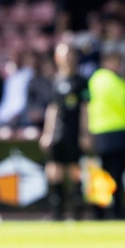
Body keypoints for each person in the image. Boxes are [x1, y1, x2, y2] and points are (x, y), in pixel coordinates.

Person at [39, 42, 88, 221]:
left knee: (75, 170)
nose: (66, 58)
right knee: (54, 170)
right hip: (58, 132)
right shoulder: (54, 81)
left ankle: (77, 212)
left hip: (74, 132)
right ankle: (56, 212)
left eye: (69, 54)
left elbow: (84, 108)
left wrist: (85, 133)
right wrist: (47, 133)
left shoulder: (81, 81)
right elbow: (52, 109)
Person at [86, 50, 125, 220]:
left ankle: (100, 209)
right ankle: (113, 209)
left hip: (102, 132)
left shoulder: (95, 79)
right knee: (114, 174)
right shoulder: (112, 80)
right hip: (115, 132)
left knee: (103, 174)